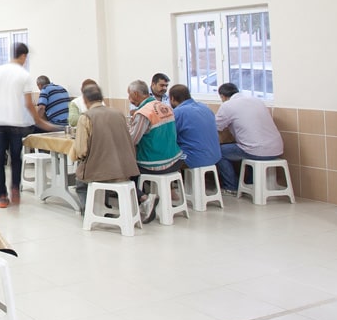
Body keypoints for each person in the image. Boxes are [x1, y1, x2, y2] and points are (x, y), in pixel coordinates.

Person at [69, 85, 156, 223]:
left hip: (103, 171)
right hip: (127, 168)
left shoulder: (86, 117)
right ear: (102, 98)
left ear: (85, 100)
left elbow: (81, 150)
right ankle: (137, 200)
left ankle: (90, 212)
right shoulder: (118, 113)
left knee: (81, 182)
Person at [0, 43, 50, 208]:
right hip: (15, 122)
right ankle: (15, 188)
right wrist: (39, 120)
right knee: (15, 158)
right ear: (24, 56)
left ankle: (2, 196)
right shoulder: (24, 75)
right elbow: (28, 104)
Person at [215, 82, 284, 194]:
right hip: (277, 149)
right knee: (248, 147)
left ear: (222, 96)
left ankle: (231, 187)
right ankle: (250, 183)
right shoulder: (257, 100)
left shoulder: (228, 105)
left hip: (256, 150)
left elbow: (217, 126)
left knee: (218, 152)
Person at [127, 80, 184, 175]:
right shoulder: (165, 106)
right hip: (175, 160)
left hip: (155, 163)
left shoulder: (143, 113)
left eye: (129, 94)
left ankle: (138, 185)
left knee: (128, 168)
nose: (129, 98)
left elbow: (132, 140)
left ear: (135, 94)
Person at [168, 84, 222, 169]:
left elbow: (168, 137)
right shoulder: (205, 108)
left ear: (172, 98)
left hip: (194, 160)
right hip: (215, 157)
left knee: (165, 157)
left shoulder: (178, 113)